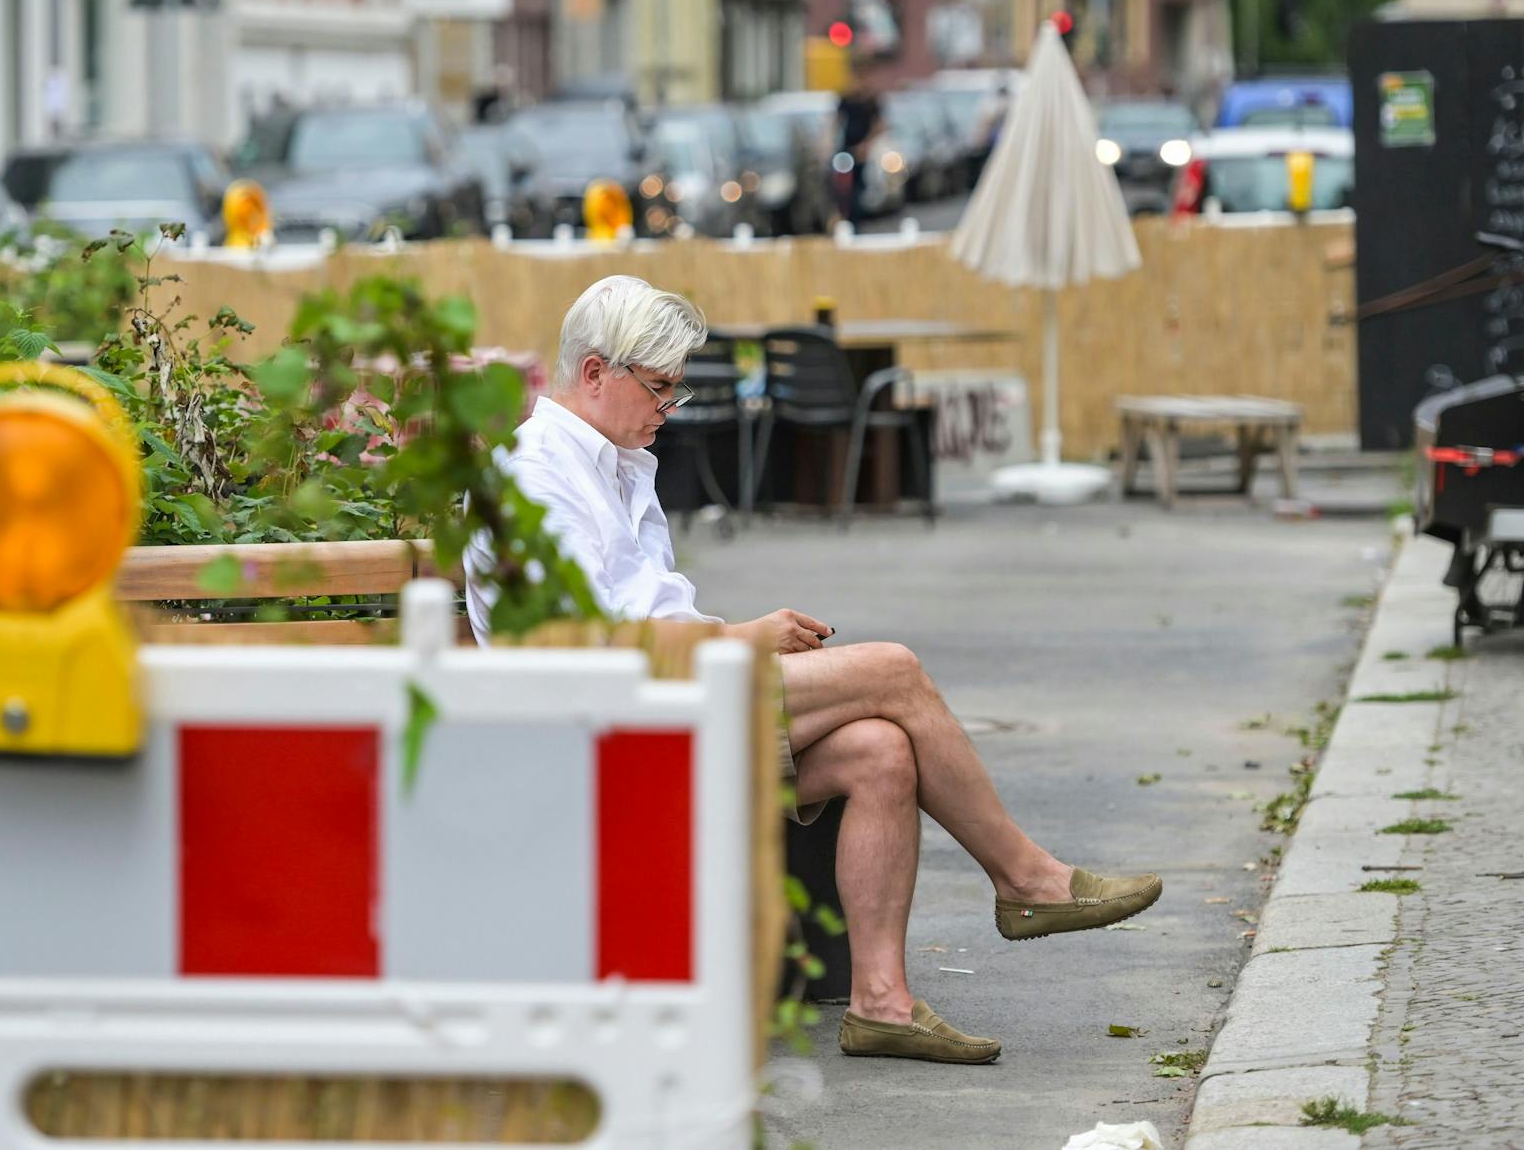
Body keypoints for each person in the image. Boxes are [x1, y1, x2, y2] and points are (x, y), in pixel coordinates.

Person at [466, 276, 1162, 1065]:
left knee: (880, 750)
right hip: (611, 724)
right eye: (660, 387)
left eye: (675, 387)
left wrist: (736, 640)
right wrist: (744, 638)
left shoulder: (618, 464)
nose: (671, 406)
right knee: (893, 670)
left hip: (671, 705)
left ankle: (881, 1004)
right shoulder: (535, 476)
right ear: (595, 374)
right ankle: (1028, 880)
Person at [835, 61, 886, 230]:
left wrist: (866, 144)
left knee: (859, 186)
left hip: (863, 150)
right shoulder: (845, 98)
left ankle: (857, 221)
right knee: (842, 185)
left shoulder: (871, 100)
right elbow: (836, 122)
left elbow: (879, 125)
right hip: (846, 148)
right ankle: (843, 216)